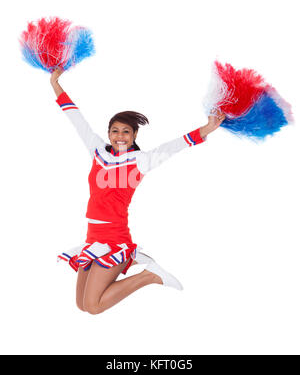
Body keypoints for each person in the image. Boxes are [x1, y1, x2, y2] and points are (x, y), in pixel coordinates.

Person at [51, 69, 225, 314]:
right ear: (108, 133)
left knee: (93, 306)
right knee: (81, 305)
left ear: (134, 136)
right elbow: (75, 117)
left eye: (126, 132)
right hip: (93, 236)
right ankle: (144, 273)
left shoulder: (140, 160)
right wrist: (54, 83)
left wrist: (205, 129)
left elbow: (174, 146)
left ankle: (149, 276)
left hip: (114, 238)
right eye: (115, 131)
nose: (119, 136)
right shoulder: (98, 151)